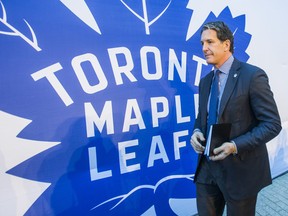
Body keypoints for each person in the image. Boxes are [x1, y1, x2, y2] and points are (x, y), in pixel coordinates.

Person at [190, 21, 282, 216]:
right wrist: (197, 131)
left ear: (226, 44)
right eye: (202, 43)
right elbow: (202, 117)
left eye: (210, 42)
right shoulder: (205, 82)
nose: (204, 48)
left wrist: (234, 145)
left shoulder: (252, 76)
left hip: (240, 171)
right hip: (207, 170)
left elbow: (272, 124)